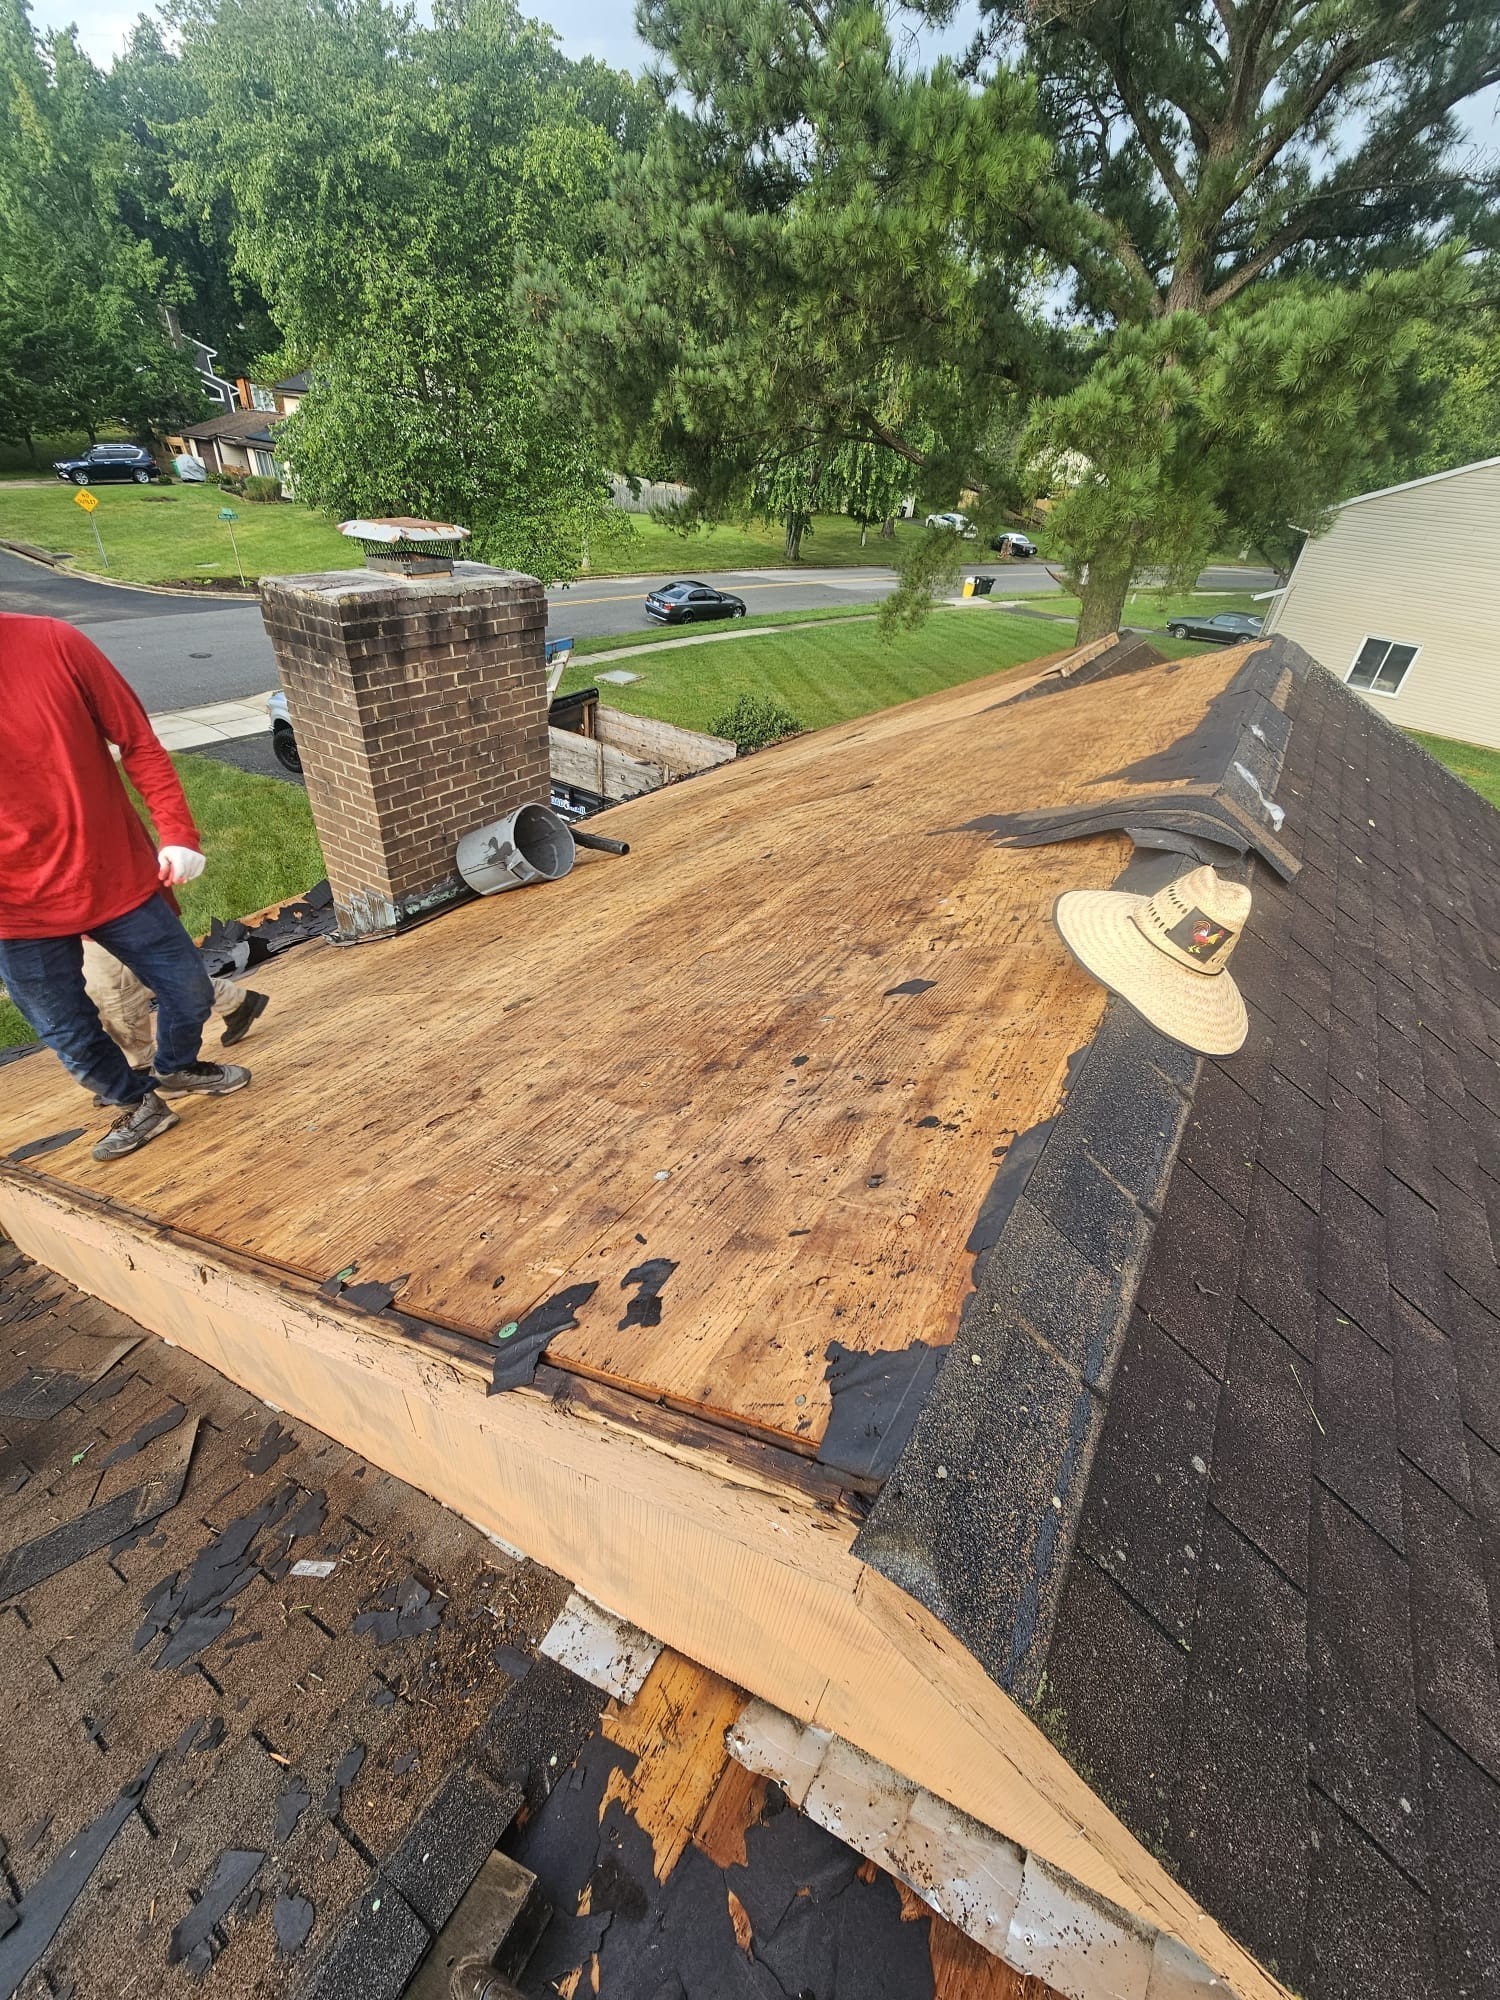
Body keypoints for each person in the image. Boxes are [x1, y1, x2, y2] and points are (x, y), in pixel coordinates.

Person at [0, 612, 251, 1161]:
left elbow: (138, 741)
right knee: (65, 1028)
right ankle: (137, 1104)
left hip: (113, 873)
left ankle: (177, 1067)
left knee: (189, 988)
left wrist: (177, 832)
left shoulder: (55, 642)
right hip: (15, 911)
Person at [80, 939, 269, 1074]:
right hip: (124, 918)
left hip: (97, 926)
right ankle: (232, 1000)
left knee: (115, 993)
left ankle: (143, 1070)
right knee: (157, 974)